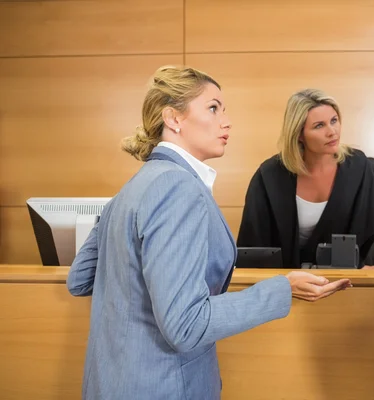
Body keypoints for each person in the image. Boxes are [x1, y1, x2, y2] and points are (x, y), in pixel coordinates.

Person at [66, 66, 351, 400]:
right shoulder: (176, 188)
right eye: (213, 108)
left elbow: (79, 279)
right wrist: (282, 289)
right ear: (173, 118)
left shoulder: (133, 188)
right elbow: (185, 325)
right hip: (163, 388)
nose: (226, 121)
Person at [237, 88, 374, 269]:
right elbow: (254, 245)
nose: (332, 131)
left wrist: (361, 266)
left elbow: (365, 234)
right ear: (299, 134)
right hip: (285, 282)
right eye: (319, 125)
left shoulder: (359, 167)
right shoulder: (269, 175)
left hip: (341, 280)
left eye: (334, 121)